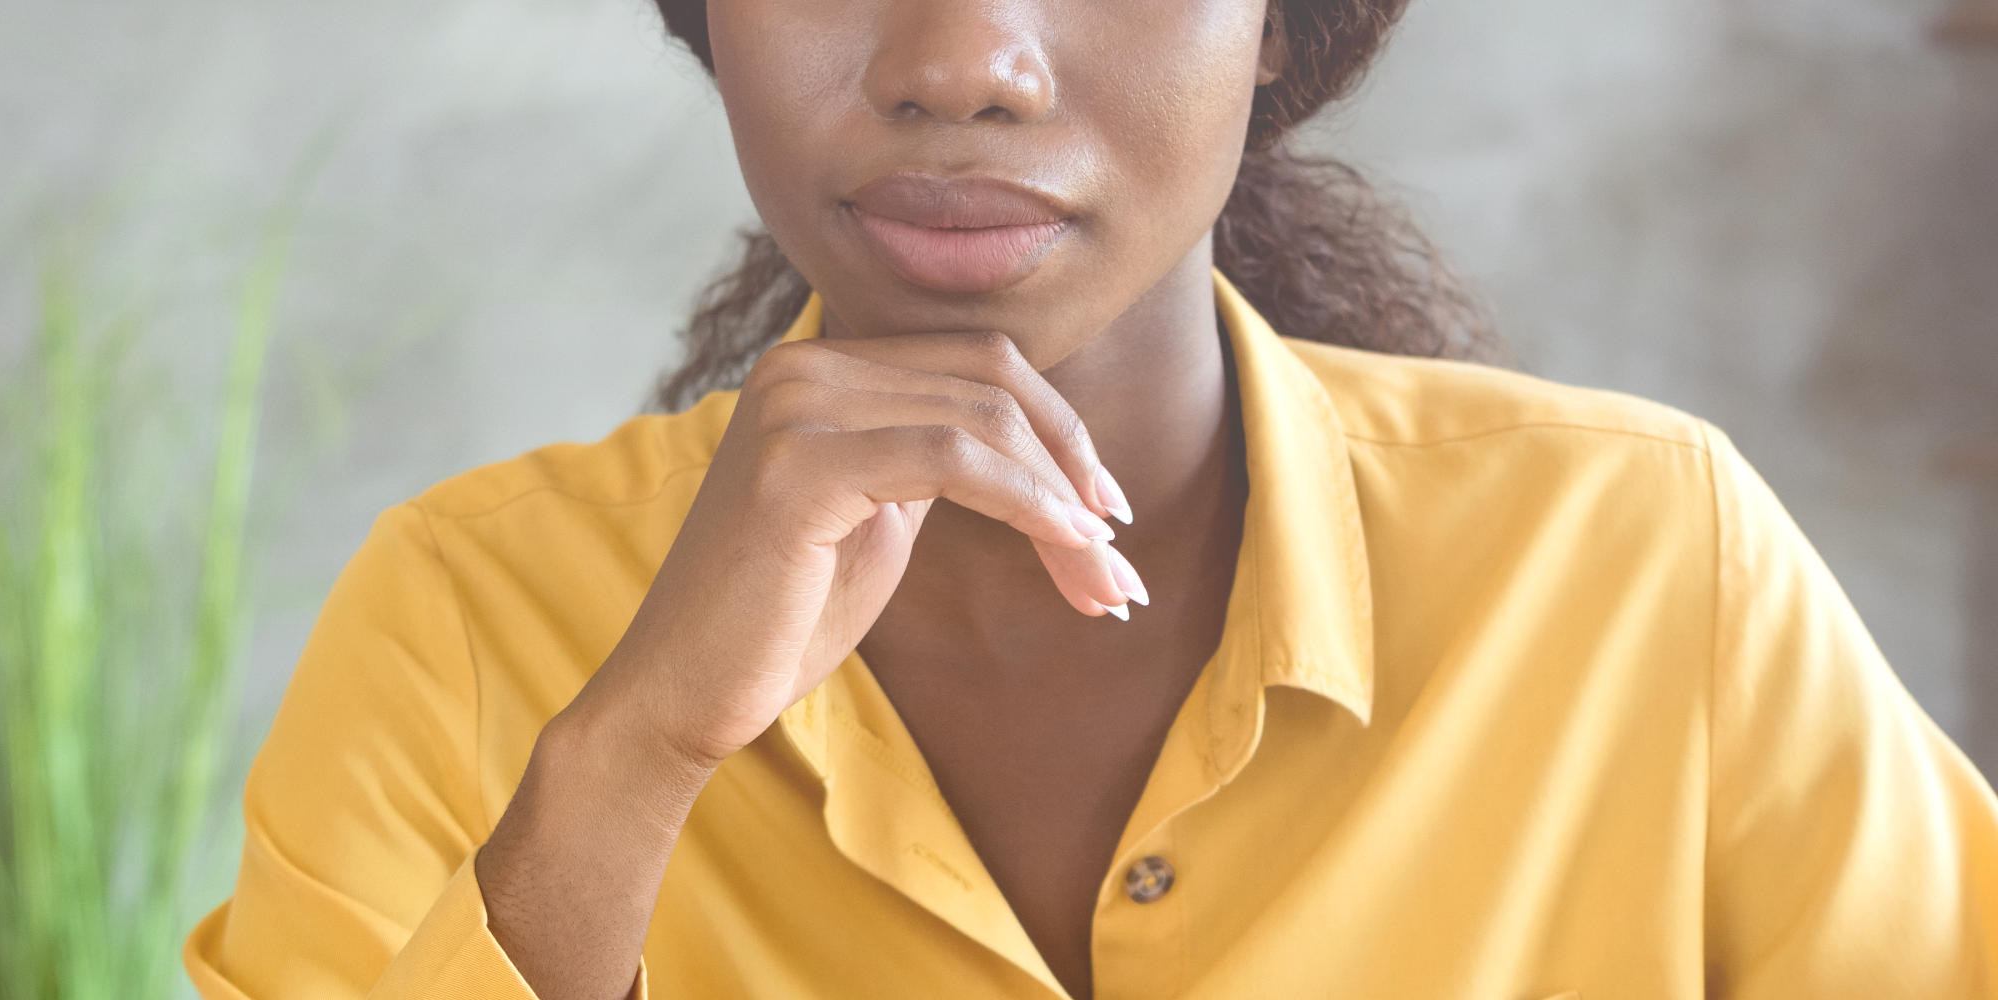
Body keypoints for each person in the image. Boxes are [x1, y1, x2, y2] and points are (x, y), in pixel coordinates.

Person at [183, 0, 1998, 997]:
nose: (963, 57)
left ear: (1281, 22)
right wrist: (634, 756)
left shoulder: (1644, 563)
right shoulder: (463, 615)